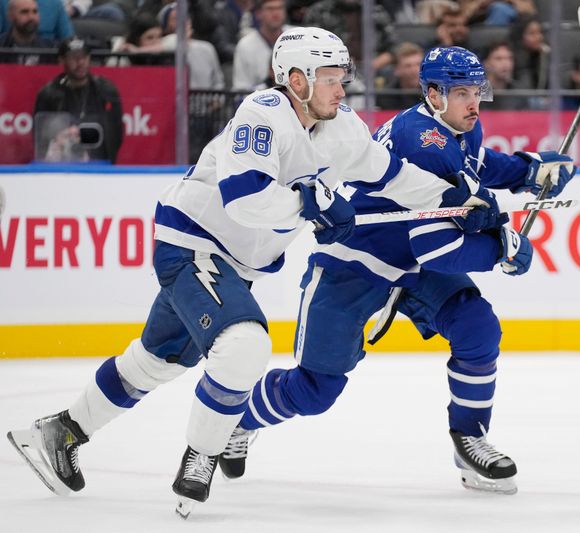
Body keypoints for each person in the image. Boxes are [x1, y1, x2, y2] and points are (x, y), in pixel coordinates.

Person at [7, 27, 494, 517]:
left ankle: (59, 431)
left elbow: (390, 174)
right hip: (192, 247)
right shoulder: (261, 116)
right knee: (245, 345)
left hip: (235, 265)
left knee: (157, 361)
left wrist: (454, 202)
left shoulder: (340, 125)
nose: (342, 89)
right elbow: (244, 199)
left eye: (342, 77)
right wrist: (311, 202)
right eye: (330, 78)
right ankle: (202, 456)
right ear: (297, 80)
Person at [219, 46, 576, 495]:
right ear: (432, 93)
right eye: (460, 92)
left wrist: (528, 171)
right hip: (355, 266)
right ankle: (235, 422)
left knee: (477, 327)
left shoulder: (459, 124)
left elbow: (473, 166)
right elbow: (439, 248)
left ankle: (470, 439)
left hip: (412, 262)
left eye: (476, 92)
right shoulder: (417, 140)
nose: (473, 103)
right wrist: (500, 249)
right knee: (316, 388)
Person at [33, 37, 124, 163]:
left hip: (98, 163)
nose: (80, 62)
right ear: (62, 60)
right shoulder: (49, 94)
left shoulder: (105, 90)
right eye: (73, 58)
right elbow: (40, 137)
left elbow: (115, 133)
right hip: (61, 164)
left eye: (84, 57)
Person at [232, 0, 291, 91]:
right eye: (270, 9)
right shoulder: (245, 45)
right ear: (258, 13)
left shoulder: (296, 36)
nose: (276, 13)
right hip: (259, 102)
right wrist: (267, 83)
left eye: (280, 8)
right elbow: (240, 92)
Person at [0, 0, 54, 65]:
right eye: (24, 12)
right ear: (10, 16)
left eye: (35, 12)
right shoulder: (2, 47)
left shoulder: (52, 50)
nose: (31, 17)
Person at [376, 41, 424, 110]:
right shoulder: (386, 97)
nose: (414, 70)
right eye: (408, 66)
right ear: (397, 70)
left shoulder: (435, 94)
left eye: (418, 64)